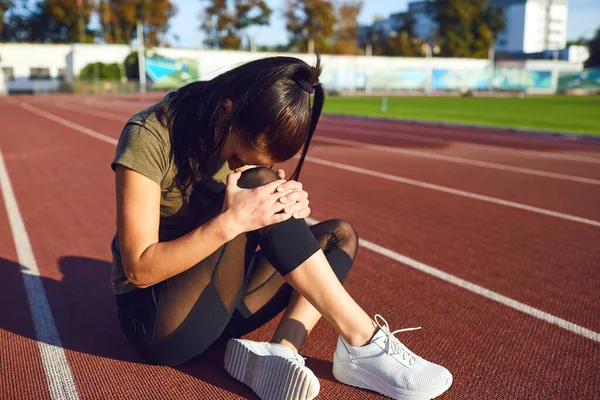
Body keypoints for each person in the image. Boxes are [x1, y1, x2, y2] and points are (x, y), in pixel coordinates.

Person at [111, 55, 452, 400]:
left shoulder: (237, 132)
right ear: (225, 110)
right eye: (240, 157)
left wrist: (286, 208)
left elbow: (258, 209)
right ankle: (363, 339)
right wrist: (235, 219)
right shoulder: (150, 135)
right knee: (255, 186)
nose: (236, 166)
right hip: (160, 322)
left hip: (219, 303)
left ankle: (284, 351)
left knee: (339, 236)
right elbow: (139, 269)